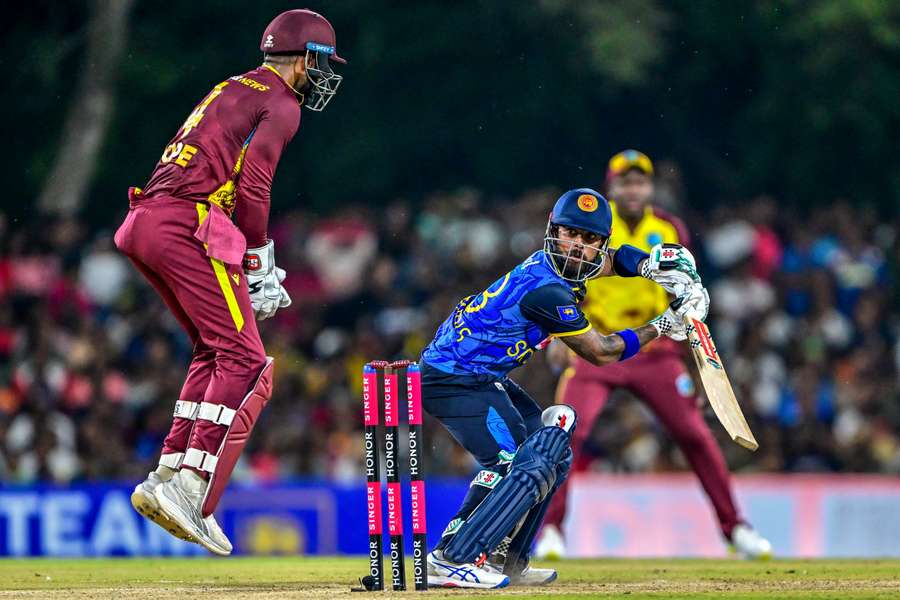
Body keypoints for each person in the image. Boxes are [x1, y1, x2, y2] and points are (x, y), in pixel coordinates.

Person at [114, 9, 346, 555]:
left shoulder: (233, 85)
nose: (324, 76)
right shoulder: (283, 102)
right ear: (303, 56)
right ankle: (192, 487)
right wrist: (259, 260)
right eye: (322, 62)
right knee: (244, 361)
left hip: (146, 220)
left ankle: (170, 474)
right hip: (187, 224)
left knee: (212, 352)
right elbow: (255, 184)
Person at [419, 188, 708, 588]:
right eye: (571, 234)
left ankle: (509, 564)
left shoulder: (567, 266)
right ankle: (452, 558)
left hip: (482, 377)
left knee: (553, 457)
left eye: (589, 239)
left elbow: (617, 260)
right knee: (517, 466)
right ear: (553, 230)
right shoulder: (547, 291)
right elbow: (602, 352)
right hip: (454, 379)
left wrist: (655, 266)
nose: (578, 246)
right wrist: (664, 324)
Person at [535, 150, 772, 560]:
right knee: (567, 432)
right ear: (611, 186)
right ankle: (553, 530)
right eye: (625, 182)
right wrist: (559, 335)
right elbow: (559, 275)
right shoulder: (591, 224)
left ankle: (736, 529)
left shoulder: (668, 227)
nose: (633, 189)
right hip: (593, 344)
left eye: (640, 182)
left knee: (694, 435)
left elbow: (681, 293)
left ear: (650, 187)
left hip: (654, 347)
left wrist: (694, 363)